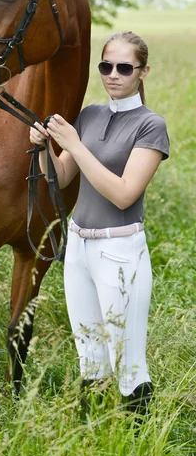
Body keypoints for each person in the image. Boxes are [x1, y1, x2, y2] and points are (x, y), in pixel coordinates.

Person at [29, 31, 169, 416]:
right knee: (89, 355)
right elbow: (62, 176)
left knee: (128, 362)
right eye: (106, 66)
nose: (113, 75)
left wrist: (74, 144)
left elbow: (124, 194)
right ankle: (95, 437)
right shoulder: (89, 115)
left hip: (120, 250)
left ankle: (140, 444)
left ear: (143, 72)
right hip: (78, 246)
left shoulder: (150, 125)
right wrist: (44, 148)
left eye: (124, 68)